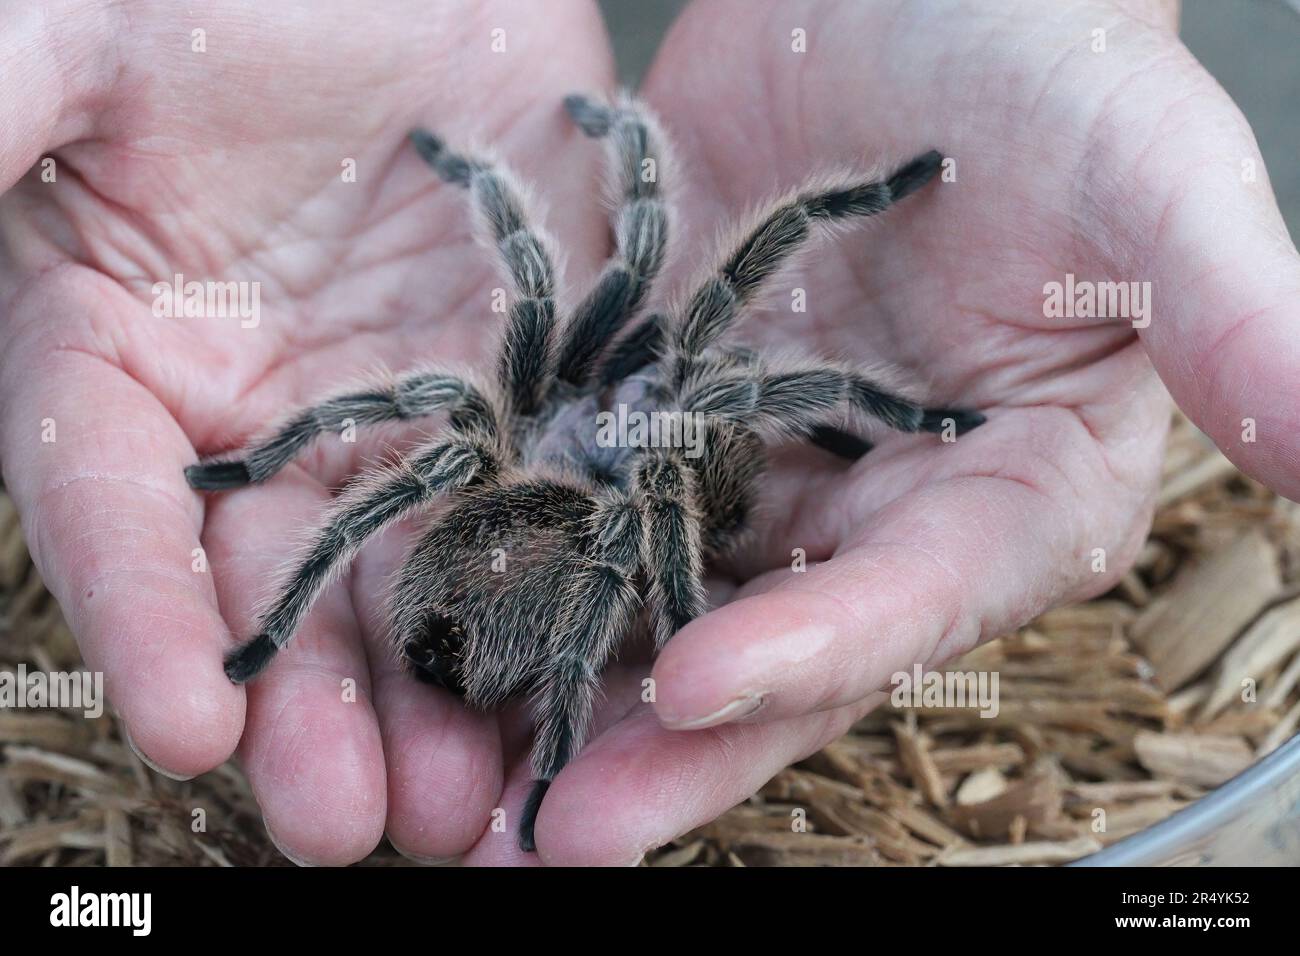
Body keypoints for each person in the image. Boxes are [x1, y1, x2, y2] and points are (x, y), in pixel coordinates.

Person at [0, 0, 1295, 866]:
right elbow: (598, 289)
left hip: (580, 535)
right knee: (482, 411)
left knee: (516, 421)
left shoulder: (667, 445)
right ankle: (460, 683)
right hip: (542, 547)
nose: (627, 388)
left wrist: (898, 413)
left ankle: (522, 713)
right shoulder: (583, 415)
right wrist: (511, 170)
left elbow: (698, 402)